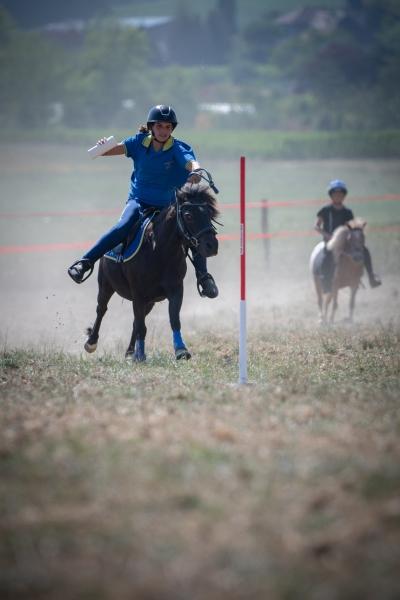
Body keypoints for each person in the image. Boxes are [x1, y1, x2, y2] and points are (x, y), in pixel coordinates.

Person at [68, 104, 218, 298]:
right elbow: (106, 151)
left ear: (172, 129)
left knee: (192, 231)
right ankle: (85, 263)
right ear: (151, 127)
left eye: (168, 127)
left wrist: (196, 169)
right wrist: (103, 145)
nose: (164, 131)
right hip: (139, 203)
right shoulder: (138, 143)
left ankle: (204, 277)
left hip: (169, 207)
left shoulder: (178, 148)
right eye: (160, 126)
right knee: (123, 225)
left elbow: (191, 162)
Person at [314, 179, 381, 292]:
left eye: (341, 194)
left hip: (345, 241)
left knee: (364, 250)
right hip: (330, 242)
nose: (338, 196)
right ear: (331, 195)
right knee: (325, 256)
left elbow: (352, 227)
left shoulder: (348, 212)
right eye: (335, 194)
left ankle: (371, 277)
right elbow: (316, 226)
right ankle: (325, 280)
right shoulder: (325, 210)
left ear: (344, 195)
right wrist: (328, 236)